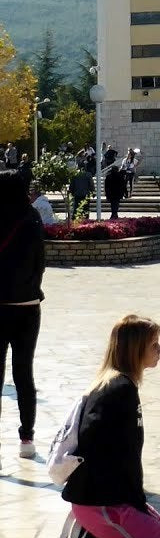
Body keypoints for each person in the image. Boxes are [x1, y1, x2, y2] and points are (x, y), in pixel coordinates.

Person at [56, 315, 160, 538]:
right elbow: (91, 446)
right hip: (104, 505)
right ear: (135, 349)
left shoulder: (119, 385)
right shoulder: (117, 391)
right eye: (154, 345)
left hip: (117, 500)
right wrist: (122, 501)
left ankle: (92, 531)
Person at [0, 170, 46, 469]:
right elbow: (40, 264)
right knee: (23, 375)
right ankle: (26, 439)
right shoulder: (31, 219)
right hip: (28, 306)